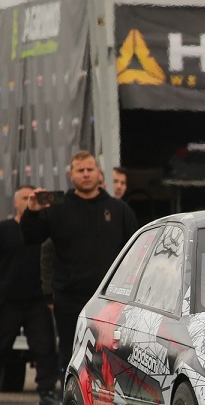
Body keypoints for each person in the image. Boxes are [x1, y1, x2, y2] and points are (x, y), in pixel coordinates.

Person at [20, 150, 138, 369]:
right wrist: (32, 212)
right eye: (80, 170)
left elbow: (136, 255)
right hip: (69, 299)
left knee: (112, 357)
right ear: (71, 175)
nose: (85, 174)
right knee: (72, 356)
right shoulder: (57, 208)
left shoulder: (119, 210)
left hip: (110, 300)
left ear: (99, 173)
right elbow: (31, 238)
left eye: (90, 169)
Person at [0, 186, 61, 405]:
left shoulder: (45, 228)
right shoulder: (4, 228)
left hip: (37, 299)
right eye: (25, 197)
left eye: (33, 197)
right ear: (16, 203)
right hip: (8, 298)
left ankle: (47, 393)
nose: (29, 200)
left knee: (45, 347)